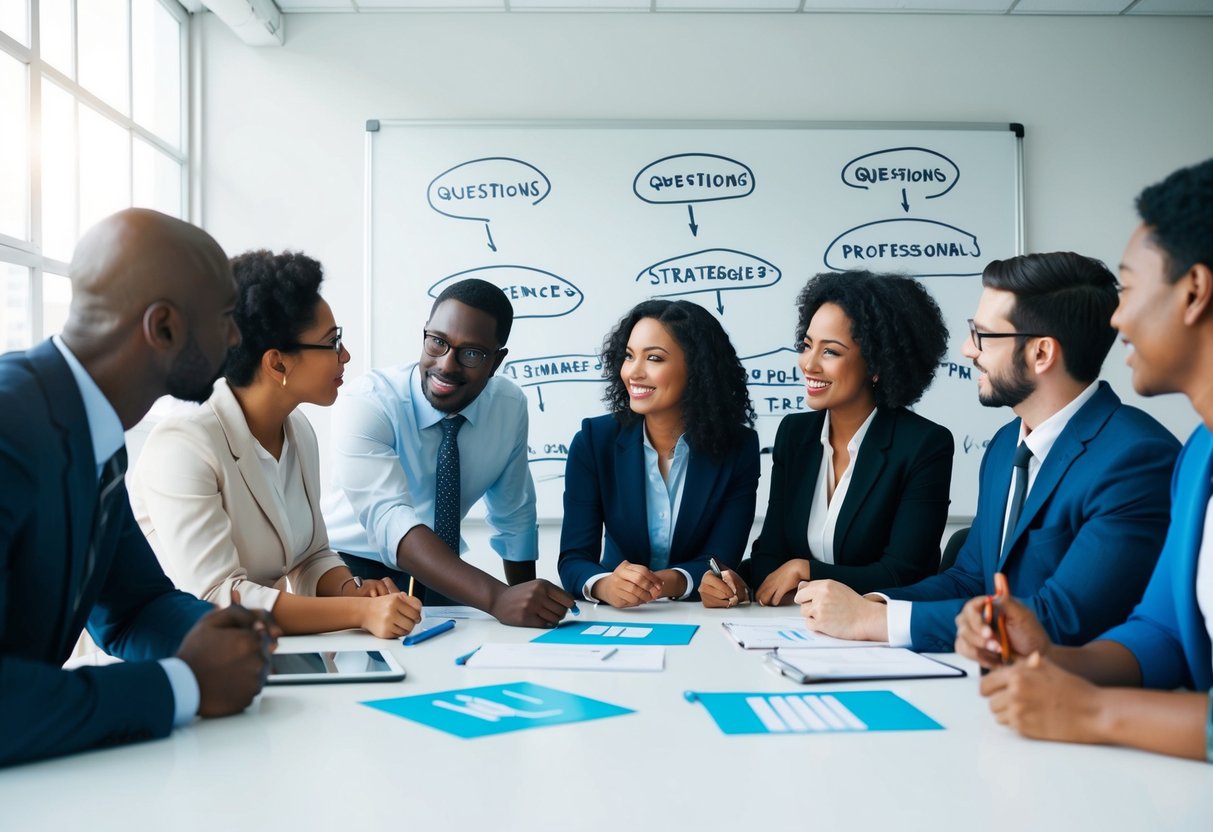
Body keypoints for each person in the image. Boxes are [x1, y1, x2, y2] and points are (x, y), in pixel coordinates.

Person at [0, 209, 278, 767]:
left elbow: (134, 607)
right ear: (165, 327)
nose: (235, 336)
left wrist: (224, 634)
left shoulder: (93, 430)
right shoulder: (10, 429)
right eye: (226, 317)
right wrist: (184, 684)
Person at [956, 159, 1213, 761]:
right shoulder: (1200, 453)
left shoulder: (1141, 453)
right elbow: (1165, 634)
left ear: (1195, 292)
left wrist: (1096, 712)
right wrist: (1043, 656)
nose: (1116, 317)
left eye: (1128, 288)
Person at [794, 251, 1180, 652]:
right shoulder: (1003, 447)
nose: (967, 349)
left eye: (983, 335)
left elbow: (1061, 617)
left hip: (1072, 697)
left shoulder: (1135, 460)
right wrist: (870, 604)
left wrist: (875, 620)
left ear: (1042, 353)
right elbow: (969, 581)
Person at [129, 250, 422, 639]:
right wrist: (359, 612)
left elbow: (312, 555)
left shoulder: (298, 429)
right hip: (183, 654)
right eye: (333, 342)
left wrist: (353, 591)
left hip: (263, 650)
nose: (345, 356)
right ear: (278, 364)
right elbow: (218, 595)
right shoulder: (183, 446)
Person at [323, 278, 575, 627]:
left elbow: (514, 512)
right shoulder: (368, 402)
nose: (446, 365)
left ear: (496, 361)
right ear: (425, 334)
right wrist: (499, 598)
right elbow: (391, 519)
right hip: (350, 568)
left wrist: (527, 605)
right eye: (437, 343)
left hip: (441, 568)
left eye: (471, 353)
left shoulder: (508, 406)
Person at [741, 271, 953, 607]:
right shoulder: (795, 435)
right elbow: (770, 554)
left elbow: (905, 573)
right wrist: (734, 581)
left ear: (877, 365)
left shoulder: (924, 445)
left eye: (831, 352)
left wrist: (807, 570)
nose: (808, 364)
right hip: (795, 628)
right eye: (807, 345)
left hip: (879, 636)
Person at [557, 300, 760, 607]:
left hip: (700, 616)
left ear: (697, 369)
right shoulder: (593, 442)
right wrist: (604, 585)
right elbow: (573, 559)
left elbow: (721, 558)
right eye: (628, 356)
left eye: (654, 358)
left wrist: (665, 583)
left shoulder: (738, 448)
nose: (633, 372)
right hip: (617, 616)